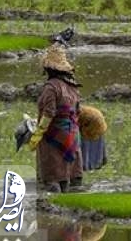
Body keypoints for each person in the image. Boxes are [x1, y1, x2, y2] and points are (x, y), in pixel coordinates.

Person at [28, 42, 83, 192]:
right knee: (67, 176)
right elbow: (78, 111)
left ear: (48, 68)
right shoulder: (73, 86)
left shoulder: (51, 87)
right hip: (72, 134)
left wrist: (38, 133)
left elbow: (49, 113)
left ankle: (51, 209)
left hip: (54, 135)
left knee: (52, 179)